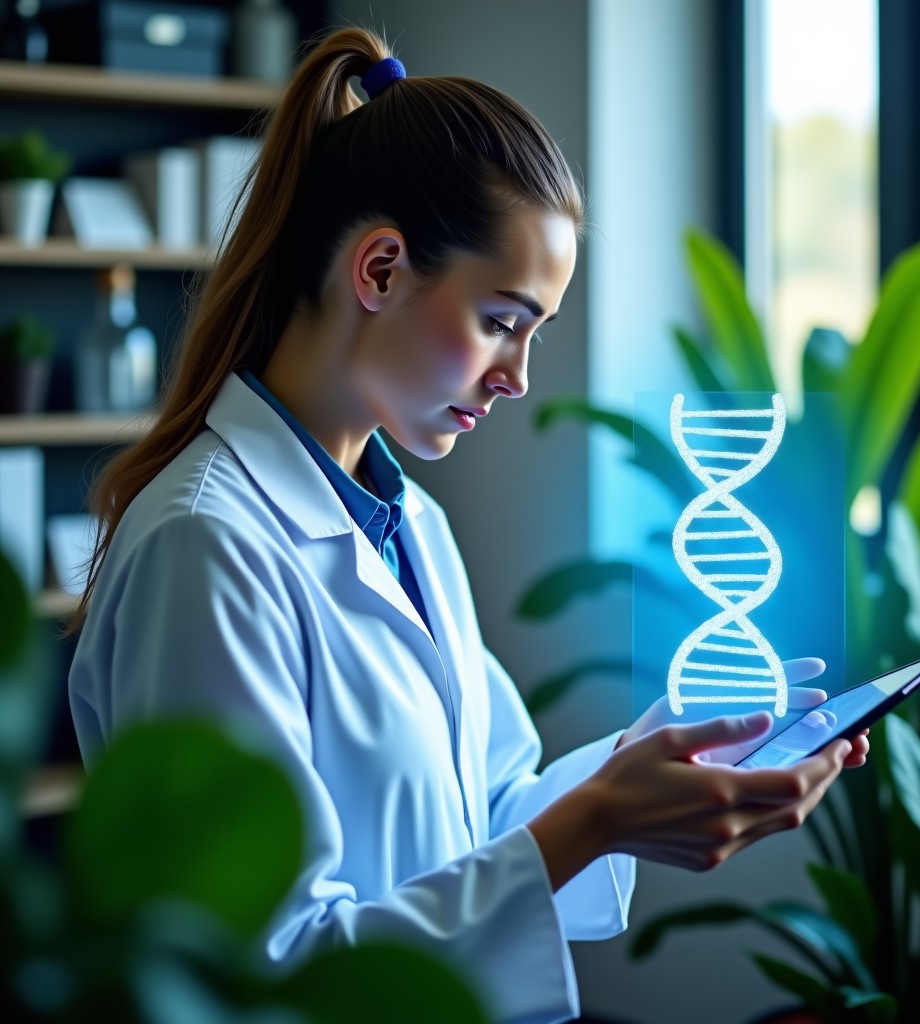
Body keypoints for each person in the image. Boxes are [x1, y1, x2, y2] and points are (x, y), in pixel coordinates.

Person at [67, 27, 869, 1024]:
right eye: (501, 321)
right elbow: (256, 974)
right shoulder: (205, 548)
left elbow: (487, 813)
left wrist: (644, 770)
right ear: (380, 270)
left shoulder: (410, 525)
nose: (517, 377)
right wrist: (592, 822)